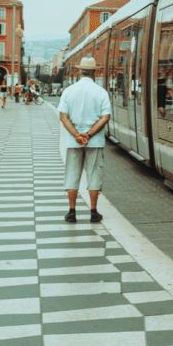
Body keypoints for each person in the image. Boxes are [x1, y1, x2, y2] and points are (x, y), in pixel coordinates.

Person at [58, 57, 111, 224]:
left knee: (72, 174)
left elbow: (63, 116)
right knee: (94, 174)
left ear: (79, 71)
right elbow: (105, 117)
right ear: (94, 72)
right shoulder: (101, 92)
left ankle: (72, 212)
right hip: (94, 142)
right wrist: (88, 134)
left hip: (74, 142)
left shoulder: (68, 91)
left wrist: (77, 135)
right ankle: (94, 212)